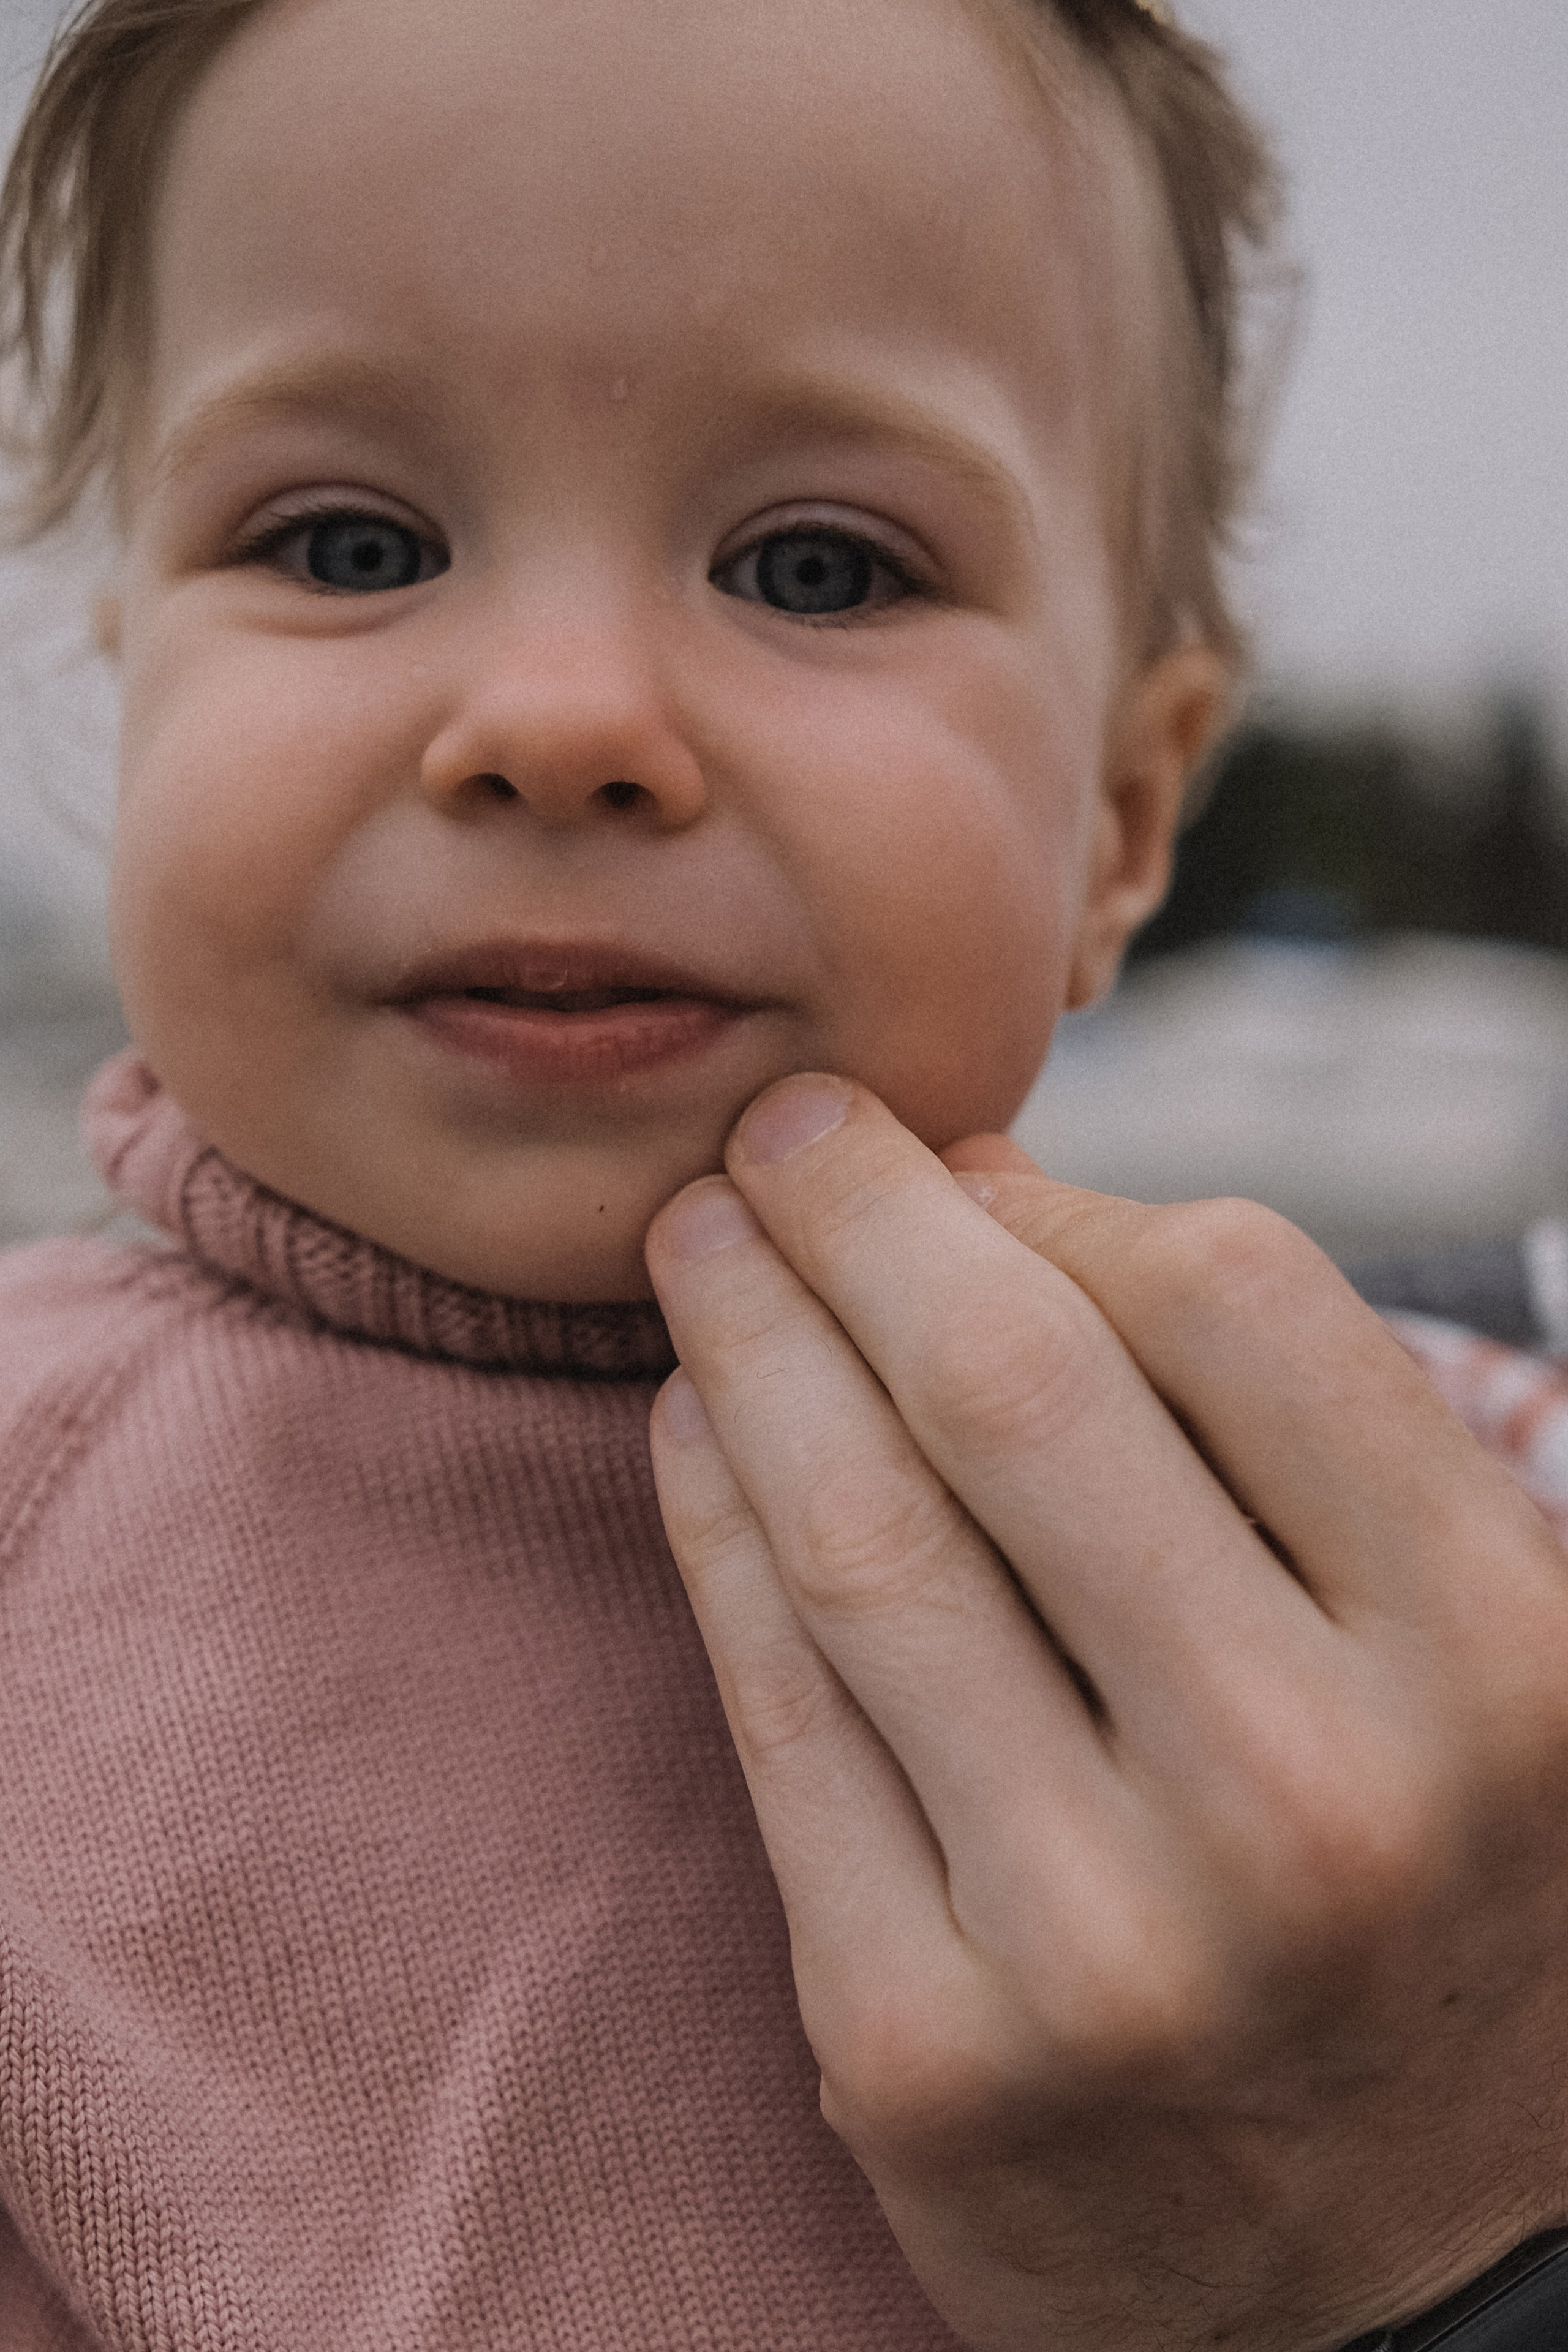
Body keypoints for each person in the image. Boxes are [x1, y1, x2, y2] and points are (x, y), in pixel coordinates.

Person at [0, 0, 1565, 2346]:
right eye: (347, 540)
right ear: (138, 692)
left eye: (819, 568)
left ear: (1125, 818)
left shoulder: (1435, 1508)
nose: (557, 719)